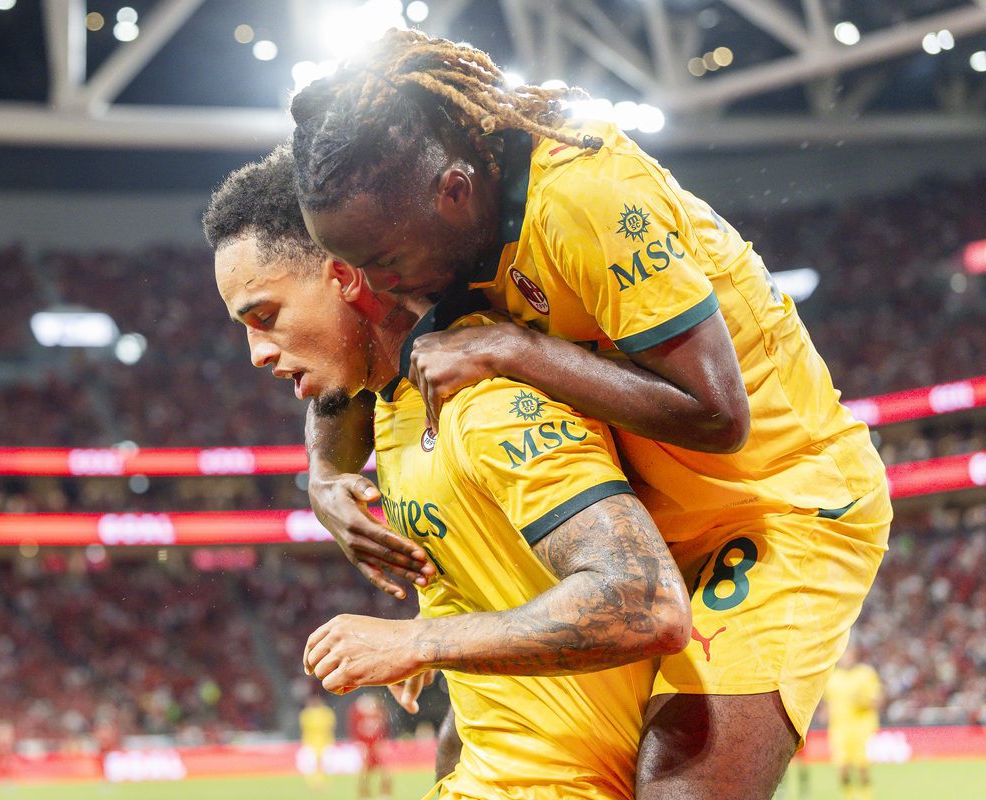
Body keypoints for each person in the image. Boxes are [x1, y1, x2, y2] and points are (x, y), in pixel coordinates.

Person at [289, 29, 892, 799]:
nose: (378, 286)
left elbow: (718, 412)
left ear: (453, 189)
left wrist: (516, 351)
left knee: (679, 786)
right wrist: (325, 473)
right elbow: (339, 340)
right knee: (464, 749)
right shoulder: (420, 226)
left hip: (780, 506)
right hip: (649, 523)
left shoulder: (584, 195)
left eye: (385, 263)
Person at [206, 147, 689, 799]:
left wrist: (422, 643)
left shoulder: (490, 406)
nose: (258, 352)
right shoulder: (396, 409)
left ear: (342, 275)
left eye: (265, 317)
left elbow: (646, 602)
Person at [824, 647, 882, 800]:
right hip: (839, 729)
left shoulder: (865, 674)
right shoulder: (832, 678)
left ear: (855, 656)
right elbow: (826, 702)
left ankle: (865, 796)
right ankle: (848, 796)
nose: (846, 659)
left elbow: (877, 701)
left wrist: (863, 701)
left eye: (849, 655)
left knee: (862, 767)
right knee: (842, 768)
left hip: (862, 728)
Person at [349, 694, 392, 800]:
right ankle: (364, 796)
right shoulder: (358, 715)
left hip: (376, 747)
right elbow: (354, 731)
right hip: (366, 748)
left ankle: (385, 795)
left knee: (385, 773)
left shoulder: (379, 714)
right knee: (364, 774)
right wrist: (359, 744)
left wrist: (383, 742)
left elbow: (384, 729)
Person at [298, 695, 337, 789]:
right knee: (312, 764)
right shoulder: (308, 713)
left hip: (323, 742)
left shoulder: (324, 712)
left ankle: (321, 783)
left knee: (324, 764)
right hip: (311, 742)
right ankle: (313, 783)